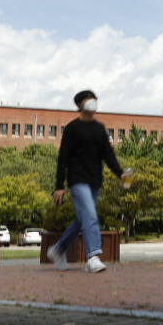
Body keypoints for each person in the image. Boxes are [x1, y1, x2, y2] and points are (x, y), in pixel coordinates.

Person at [47, 90, 129, 273]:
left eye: (94, 99)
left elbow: (107, 154)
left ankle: (58, 250)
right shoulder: (72, 128)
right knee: (91, 215)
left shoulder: (99, 128)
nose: (93, 103)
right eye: (88, 100)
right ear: (79, 105)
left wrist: (120, 173)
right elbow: (63, 158)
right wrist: (59, 186)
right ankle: (92, 257)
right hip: (77, 180)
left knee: (82, 219)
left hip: (94, 180)